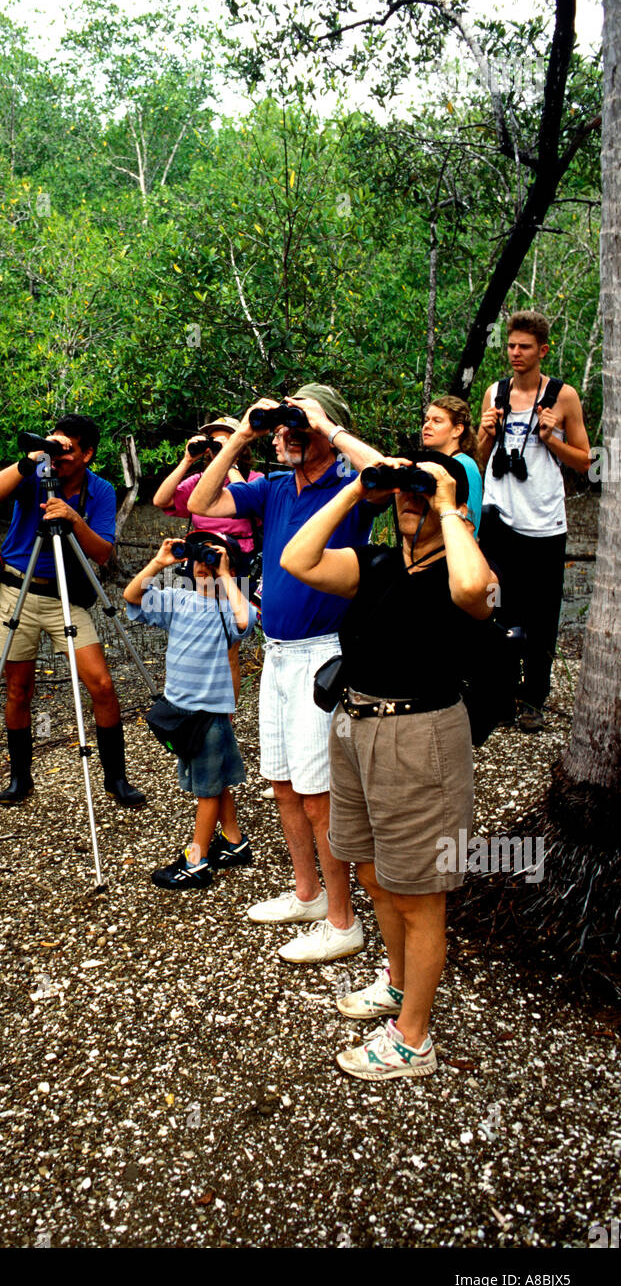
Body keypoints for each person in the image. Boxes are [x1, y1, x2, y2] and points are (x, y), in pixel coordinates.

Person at [280, 450, 497, 1079]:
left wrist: (450, 504)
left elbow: (472, 593)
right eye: (406, 491)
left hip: (420, 736)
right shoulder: (375, 564)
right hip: (354, 727)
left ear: (454, 503)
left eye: (422, 492)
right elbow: (297, 560)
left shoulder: (466, 568)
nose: (411, 500)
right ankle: (400, 984)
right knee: (374, 872)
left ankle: (413, 1040)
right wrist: (357, 492)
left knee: (419, 891)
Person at [188, 384, 380, 961]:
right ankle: (308, 895)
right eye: (282, 426)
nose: (286, 434)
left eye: (300, 426)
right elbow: (202, 500)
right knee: (283, 783)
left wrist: (330, 427)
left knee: (321, 796)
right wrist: (243, 433)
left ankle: (343, 922)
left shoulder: (350, 486)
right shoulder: (272, 488)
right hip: (277, 652)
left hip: (326, 654)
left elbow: (387, 474)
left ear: (326, 430)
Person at [0, 413, 145, 809]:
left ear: (87, 454)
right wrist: (30, 460)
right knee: (19, 689)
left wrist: (72, 518)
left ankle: (116, 778)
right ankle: (21, 777)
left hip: (66, 597)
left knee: (102, 685)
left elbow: (104, 553)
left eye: (68, 450)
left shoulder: (99, 491)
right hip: (18, 588)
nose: (59, 457)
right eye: (56, 446)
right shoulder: (34, 475)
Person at [477, 311, 590, 733]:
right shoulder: (495, 392)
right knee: (496, 606)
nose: (515, 354)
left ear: (543, 350)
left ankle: (534, 697)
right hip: (498, 516)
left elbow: (586, 462)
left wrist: (550, 439)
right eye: (510, 346)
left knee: (542, 616)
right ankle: (501, 694)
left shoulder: (563, 396)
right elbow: (478, 458)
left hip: (543, 521)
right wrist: (487, 433)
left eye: (524, 347)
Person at [123, 531, 255, 890]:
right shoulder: (177, 601)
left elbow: (246, 623)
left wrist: (226, 575)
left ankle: (196, 861)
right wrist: (160, 562)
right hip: (182, 712)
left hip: (206, 715)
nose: (203, 565)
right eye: (199, 557)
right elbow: (131, 596)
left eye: (211, 558)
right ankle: (233, 840)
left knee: (208, 790)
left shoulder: (228, 608)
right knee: (214, 779)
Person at [153, 417, 263, 701]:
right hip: (199, 565)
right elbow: (161, 501)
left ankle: (224, 716)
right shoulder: (200, 483)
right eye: (212, 443)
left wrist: (231, 462)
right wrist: (188, 460)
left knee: (229, 645)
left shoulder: (255, 480)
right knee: (195, 637)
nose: (216, 448)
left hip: (235, 566)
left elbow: (251, 501)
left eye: (224, 441)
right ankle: (193, 706)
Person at [421, 395, 483, 537]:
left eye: (437, 421)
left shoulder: (465, 465)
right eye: (427, 420)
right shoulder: (439, 463)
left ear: (457, 430)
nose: (427, 426)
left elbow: (469, 525)